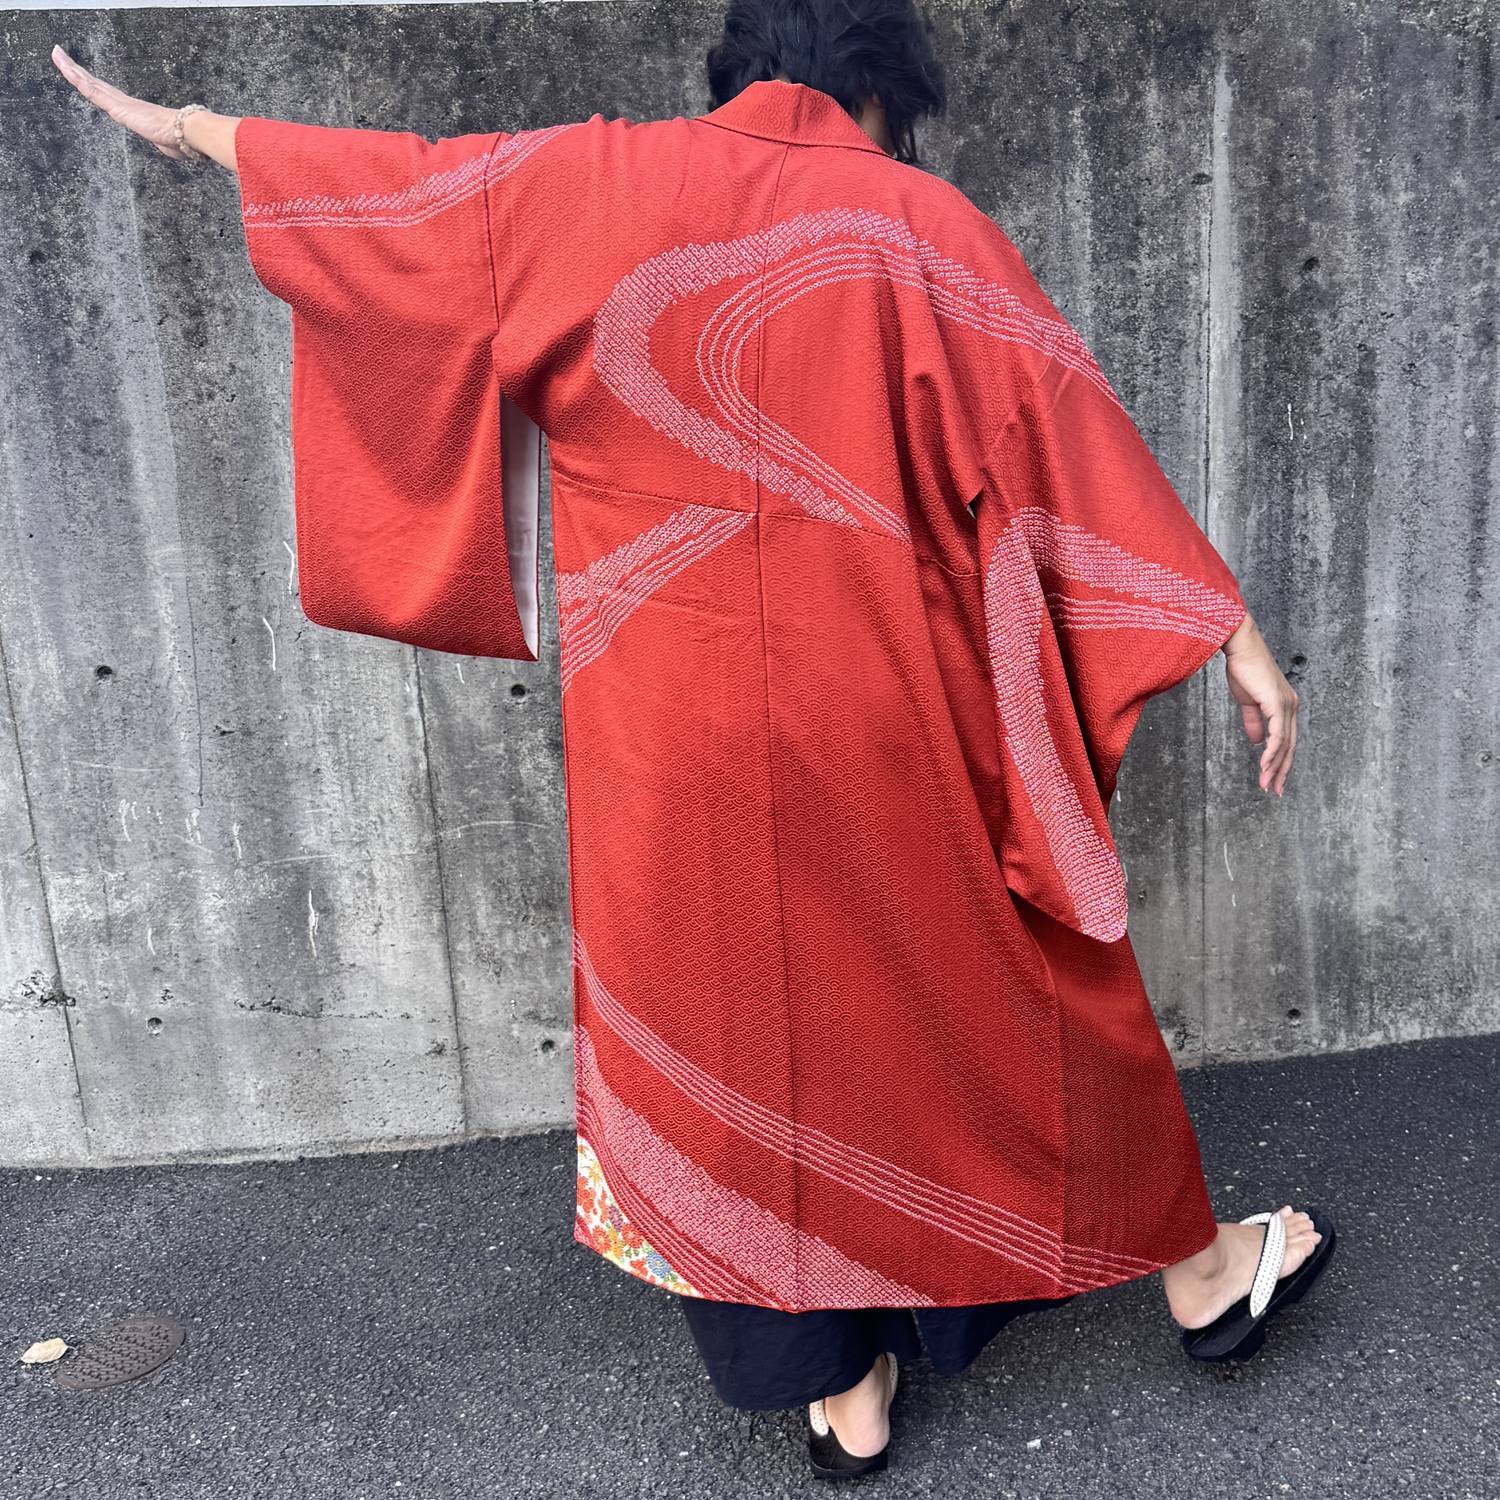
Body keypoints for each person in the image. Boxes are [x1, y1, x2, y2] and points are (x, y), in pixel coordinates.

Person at [52, 0, 1334, 1479]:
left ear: (738, 68)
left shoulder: (582, 183)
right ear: (881, 82)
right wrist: (1220, 626)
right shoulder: (919, 222)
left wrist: (199, 130)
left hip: (662, 732)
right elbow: (1063, 442)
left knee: (719, 1043)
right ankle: (1199, 1273)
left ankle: (841, 1396)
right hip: (887, 710)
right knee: (1014, 987)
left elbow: (393, 193)